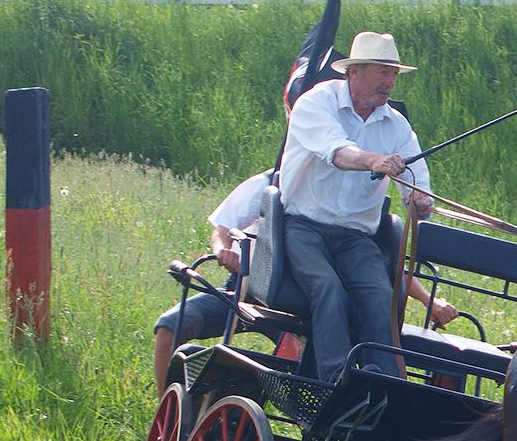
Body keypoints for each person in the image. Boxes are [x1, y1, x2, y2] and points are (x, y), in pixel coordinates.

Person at [152, 168, 455, 395]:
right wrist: (224, 251)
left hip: (307, 301)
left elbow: (384, 268)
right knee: (169, 326)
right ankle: (165, 415)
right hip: (247, 289)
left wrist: (431, 301)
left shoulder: (346, 205)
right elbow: (223, 229)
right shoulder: (268, 183)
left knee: (302, 358)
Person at [277, 30, 434, 381]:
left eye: (394, 73)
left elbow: (418, 187)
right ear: (354, 72)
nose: (390, 81)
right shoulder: (316, 103)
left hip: (355, 238)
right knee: (328, 289)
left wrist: (420, 202)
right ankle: (335, 383)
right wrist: (374, 161)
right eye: (383, 71)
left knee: (381, 295)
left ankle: (388, 385)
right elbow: (337, 151)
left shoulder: (397, 126)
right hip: (303, 227)